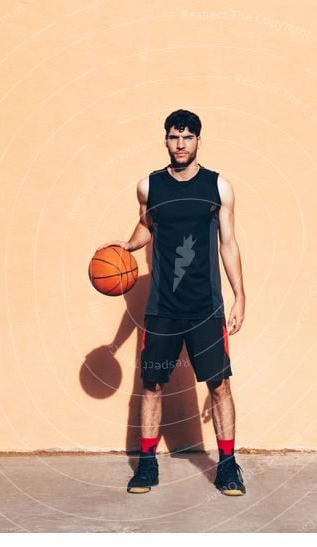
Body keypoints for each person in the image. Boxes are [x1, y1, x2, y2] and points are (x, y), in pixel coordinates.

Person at [97, 109, 247, 496]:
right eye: (174, 137)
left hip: (206, 308)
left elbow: (227, 244)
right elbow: (146, 224)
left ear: (198, 140)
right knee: (152, 385)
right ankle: (146, 465)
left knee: (220, 387)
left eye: (188, 137)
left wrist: (240, 295)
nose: (181, 144)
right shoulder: (149, 186)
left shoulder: (219, 187)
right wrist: (128, 246)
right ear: (165, 140)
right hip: (163, 307)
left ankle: (228, 467)